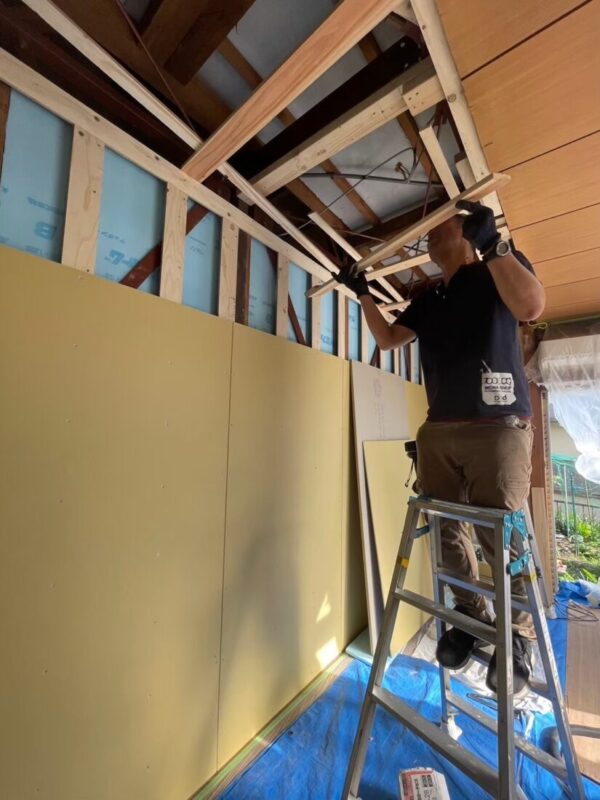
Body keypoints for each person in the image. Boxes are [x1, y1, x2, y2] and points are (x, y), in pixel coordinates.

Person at [335, 201, 546, 695]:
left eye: (441, 227)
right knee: (448, 530)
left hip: (496, 425)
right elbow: (388, 340)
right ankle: (469, 619)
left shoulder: (497, 266)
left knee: (501, 534)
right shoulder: (430, 299)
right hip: (440, 428)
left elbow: (531, 307)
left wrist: (493, 246)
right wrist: (363, 293)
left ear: (467, 237)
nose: (430, 236)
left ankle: (518, 637)